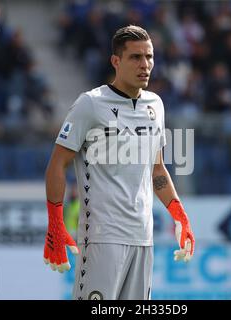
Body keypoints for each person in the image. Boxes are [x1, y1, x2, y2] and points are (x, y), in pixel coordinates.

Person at [43, 25, 195, 300]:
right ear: (116, 61)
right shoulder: (90, 104)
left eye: (149, 57)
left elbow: (156, 169)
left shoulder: (156, 105)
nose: (145, 64)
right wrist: (55, 223)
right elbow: (57, 163)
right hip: (102, 237)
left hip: (143, 236)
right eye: (135, 57)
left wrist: (179, 214)